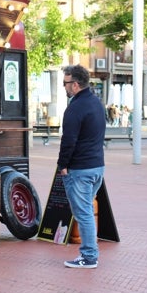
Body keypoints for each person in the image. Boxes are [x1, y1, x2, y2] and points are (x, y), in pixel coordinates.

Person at [57, 64, 106, 269]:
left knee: (83, 213)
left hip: (80, 169)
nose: (64, 87)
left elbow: (69, 140)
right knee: (86, 210)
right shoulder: (96, 103)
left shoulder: (75, 108)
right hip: (97, 167)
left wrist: (63, 164)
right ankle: (89, 254)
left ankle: (89, 256)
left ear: (75, 84)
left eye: (65, 83)